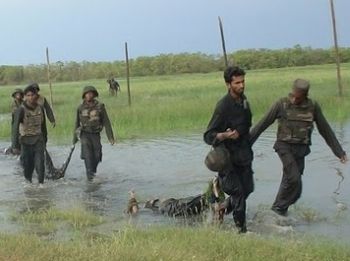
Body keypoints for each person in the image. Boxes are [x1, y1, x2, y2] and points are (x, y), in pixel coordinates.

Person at [250, 79, 348, 216]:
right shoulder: (281, 104)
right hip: (284, 147)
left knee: (294, 188)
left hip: (301, 150)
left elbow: (325, 129)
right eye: (294, 95)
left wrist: (339, 152)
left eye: (299, 97)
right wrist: (245, 145)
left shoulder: (312, 106)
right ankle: (277, 210)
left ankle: (279, 211)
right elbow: (261, 125)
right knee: (294, 179)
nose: (295, 99)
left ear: (305, 95)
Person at [203, 66, 254, 233]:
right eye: (237, 83)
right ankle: (242, 232)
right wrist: (224, 136)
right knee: (239, 194)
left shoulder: (244, 101)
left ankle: (221, 208)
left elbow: (246, 128)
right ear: (228, 84)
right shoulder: (223, 106)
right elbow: (208, 135)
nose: (241, 85)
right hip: (227, 160)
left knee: (248, 189)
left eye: (243, 82)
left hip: (243, 155)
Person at [72, 85, 115, 181]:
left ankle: (92, 173)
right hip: (85, 134)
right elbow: (76, 123)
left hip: (95, 134)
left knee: (97, 156)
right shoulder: (80, 108)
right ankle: (89, 177)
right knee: (87, 156)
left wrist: (110, 137)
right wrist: (74, 139)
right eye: (87, 94)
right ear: (84, 95)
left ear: (94, 95)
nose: (89, 95)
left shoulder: (100, 107)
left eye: (91, 93)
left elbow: (106, 122)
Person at [12, 85, 47, 186]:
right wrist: (15, 145)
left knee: (40, 165)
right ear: (25, 97)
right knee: (28, 166)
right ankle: (29, 186)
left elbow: (43, 126)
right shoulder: (21, 110)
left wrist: (45, 139)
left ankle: (41, 186)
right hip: (25, 141)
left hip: (38, 140)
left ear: (36, 96)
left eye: (33, 95)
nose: (31, 97)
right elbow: (15, 127)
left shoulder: (40, 108)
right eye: (28, 95)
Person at [9, 88, 24, 153]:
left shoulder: (23, 102)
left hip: (23, 121)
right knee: (15, 133)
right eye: (17, 94)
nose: (18, 95)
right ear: (15, 95)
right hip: (15, 121)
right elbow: (15, 111)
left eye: (19, 94)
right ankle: (14, 147)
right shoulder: (14, 103)